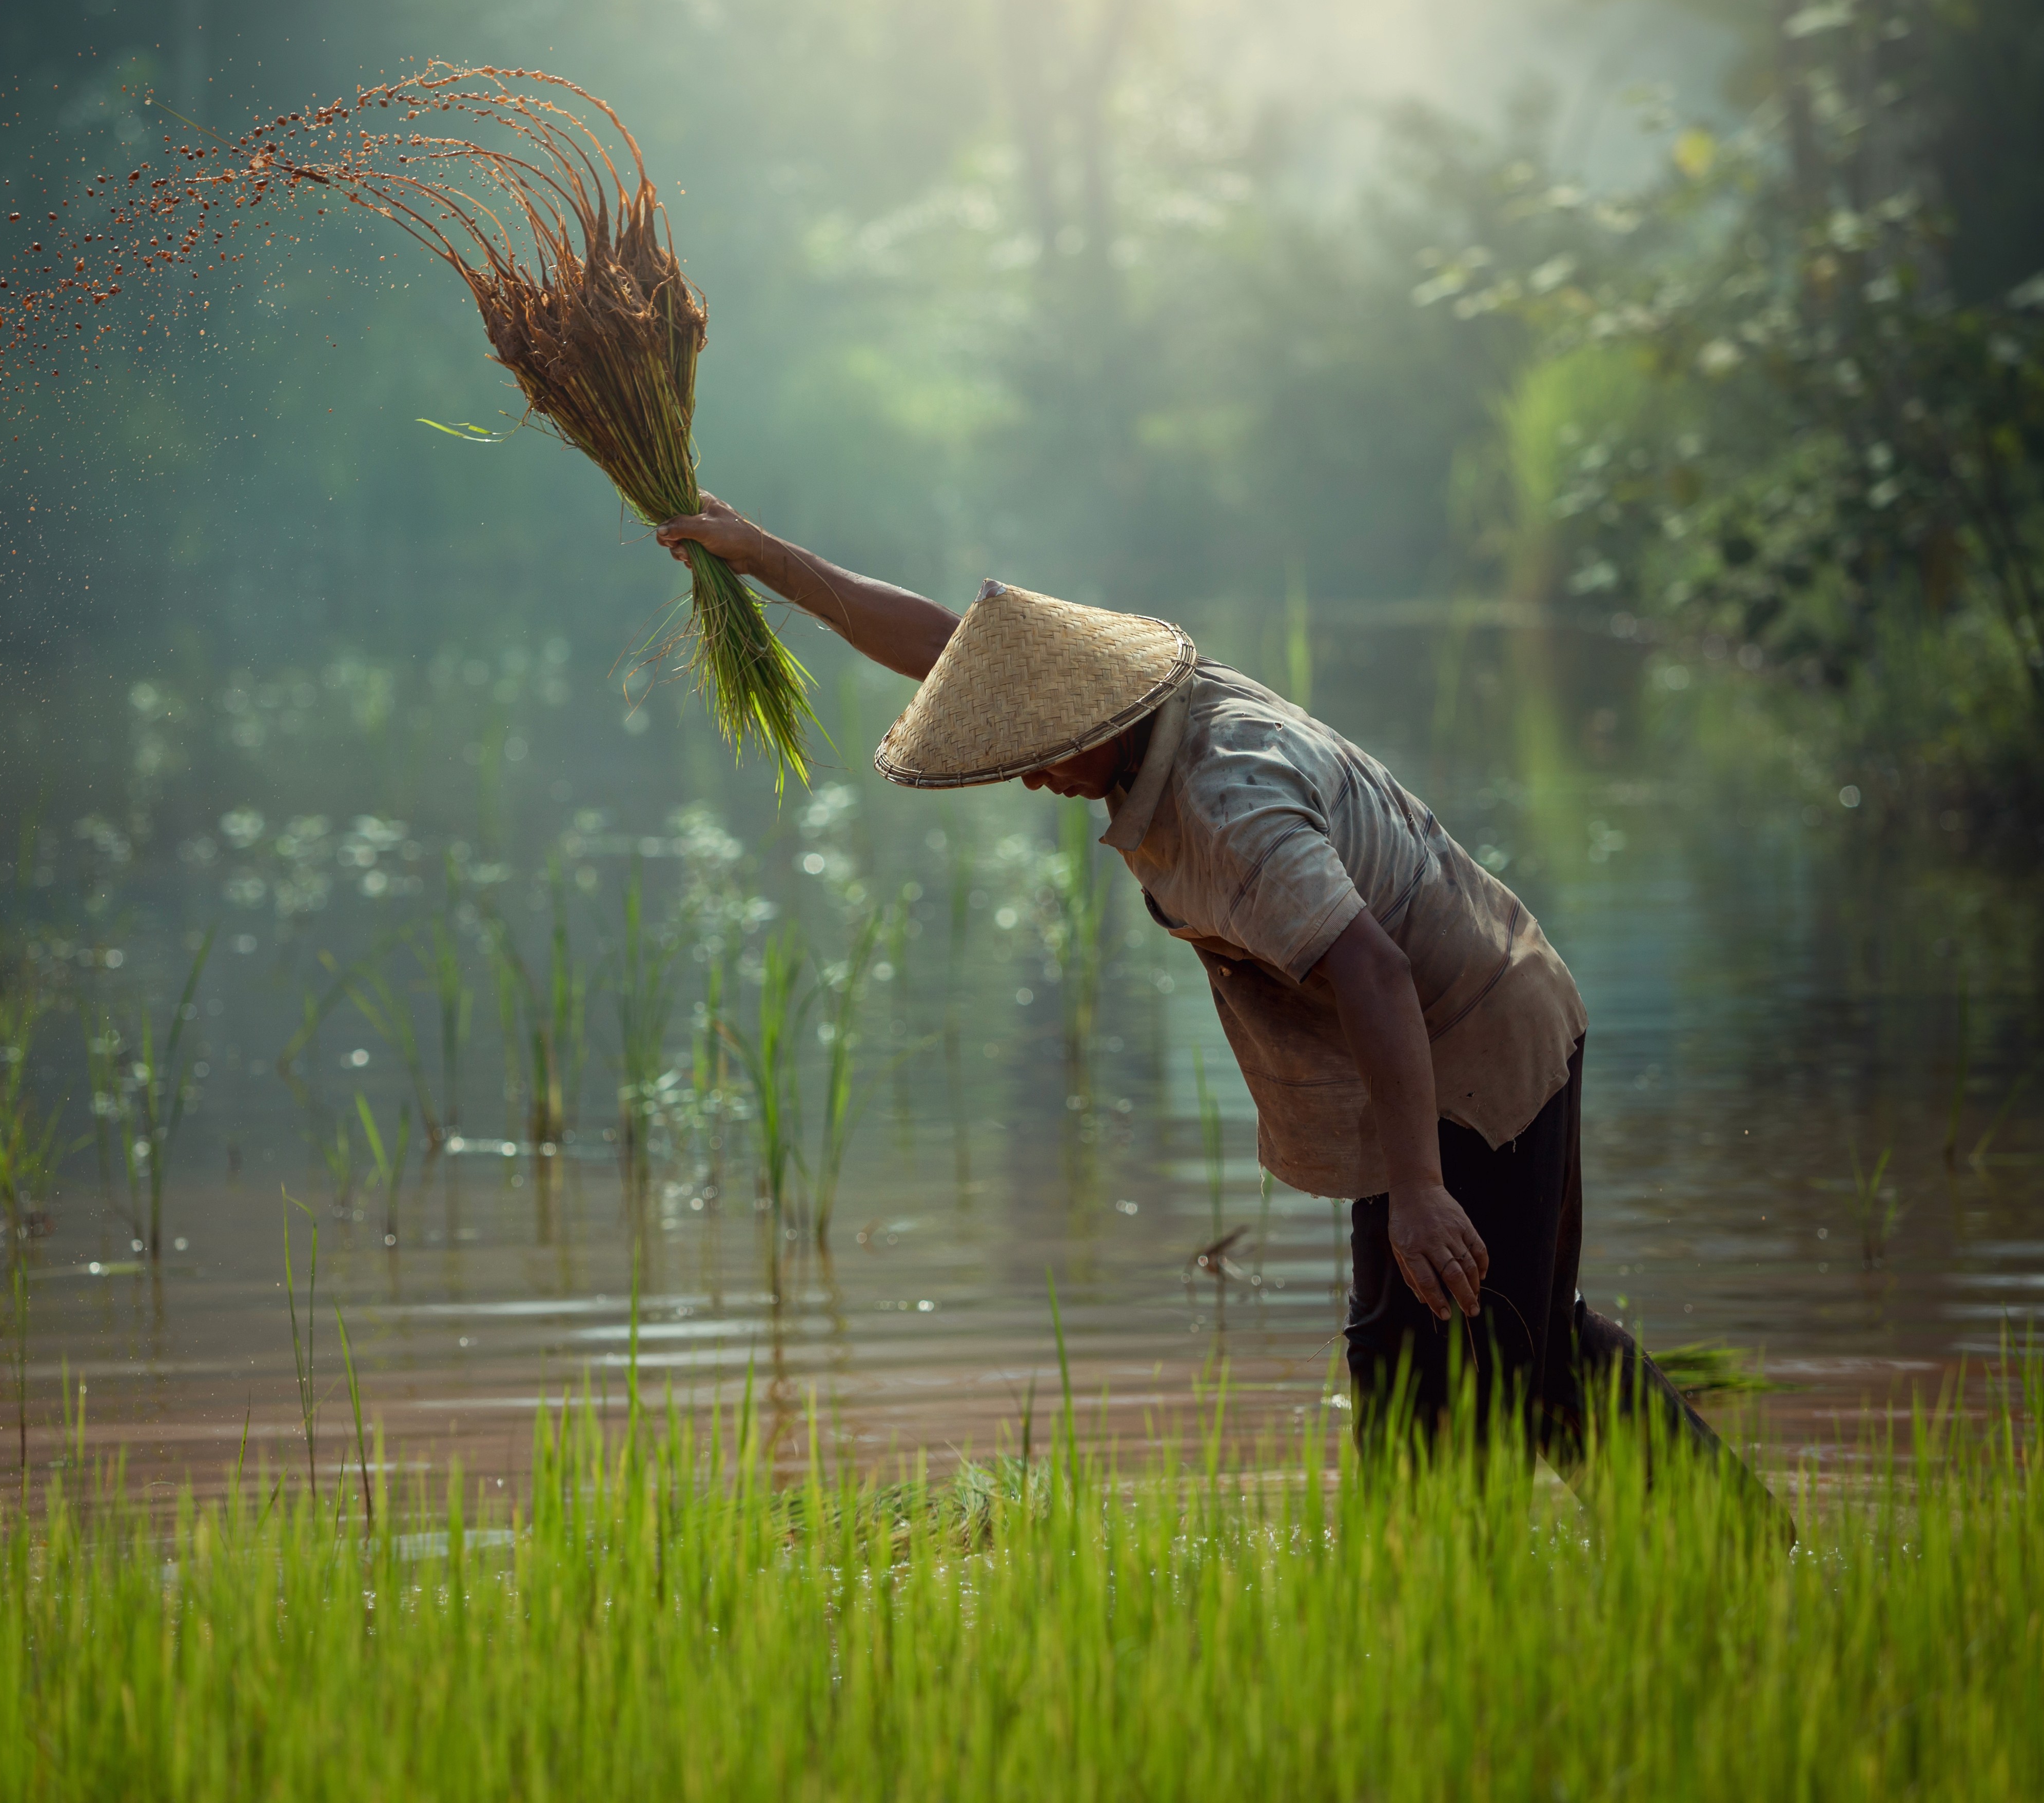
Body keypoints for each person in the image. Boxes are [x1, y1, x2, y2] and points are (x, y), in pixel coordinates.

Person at [657, 496, 1770, 1499]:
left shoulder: (1232, 804)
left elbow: (1372, 970)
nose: (1031, 776)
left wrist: (1422, 1190)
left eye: (1042, 755)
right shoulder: (1140, 704)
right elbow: (948, 651)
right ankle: (1719, 1556)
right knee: (1493, 1336)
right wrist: (760, 556)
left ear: (1097, 721)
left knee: (1456, 1354)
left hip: (1476, 1050)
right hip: (1418, 1047)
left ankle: (1451, 1607)